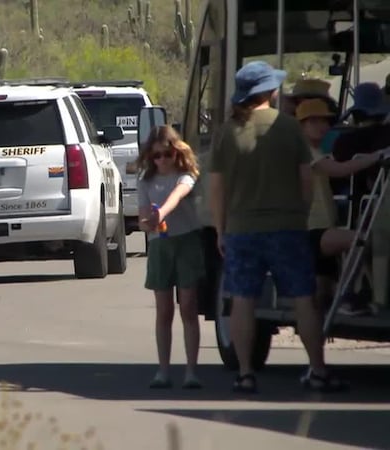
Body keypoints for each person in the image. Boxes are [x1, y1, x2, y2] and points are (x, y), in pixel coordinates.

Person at [208, 61, 346, 393]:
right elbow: (306, 180)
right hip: (288, 226)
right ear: (269, 91)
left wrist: (220, 229)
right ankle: (317, 369)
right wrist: (299, 215)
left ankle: (245, 373)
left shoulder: (227, 133)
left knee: (242, 300)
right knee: (304, 299)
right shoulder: (289, 128)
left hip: (242, 228)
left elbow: (217, 188)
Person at [295, 98, 389, 316]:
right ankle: (348, 294)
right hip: (311, 229)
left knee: (316, 305)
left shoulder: (316, 151)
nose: (322, 126)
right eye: (313, 121)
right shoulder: (305, 152)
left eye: (325, 121)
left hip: (322, 227)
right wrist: (379, 156)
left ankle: (349, 294)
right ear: (301, 125)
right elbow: (341, 170)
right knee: (359, 240)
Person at [136, 125, 205, 390]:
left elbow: (178, 195)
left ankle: (191, 371)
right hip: (160, 246)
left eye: (166, 154)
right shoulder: (145, 180)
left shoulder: (186, 175)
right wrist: (148, 223)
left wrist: (161, 213)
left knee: (188, 306)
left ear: (175, 152)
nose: (162, 160)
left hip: (187, 241)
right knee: (164, 311)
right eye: (156, 156)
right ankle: (163, 371)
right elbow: (143, 216)